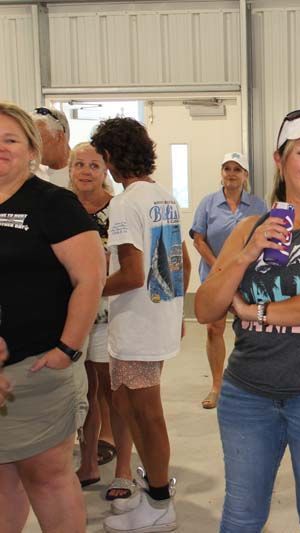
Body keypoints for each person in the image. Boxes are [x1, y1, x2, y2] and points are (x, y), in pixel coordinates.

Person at [195, 109, 300, 533]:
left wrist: (252, 311)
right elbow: (205, 308)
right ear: (280, 159)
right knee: (240, 514)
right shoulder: (251, 226)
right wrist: (247, 251)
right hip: (247, 393)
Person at [0, 101, 105, 532]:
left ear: (31, 149)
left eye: (10, 140)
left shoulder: (53, 204)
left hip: (38, 367)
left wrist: (66, 349)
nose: (0, 148)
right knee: (3, 479)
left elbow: (91, 280)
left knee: (46, 477)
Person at [92, 117, 191, 532]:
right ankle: (150, 489)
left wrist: (88, 288)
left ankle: (159, 502)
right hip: (157, 319)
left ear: (112, 157)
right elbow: (181, 263)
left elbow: (131, 273)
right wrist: (174, 314)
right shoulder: (163, 196)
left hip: (137, 325)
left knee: (147, 414)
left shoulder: (124, 203)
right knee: (131, 408)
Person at [68, 142, 135, 501]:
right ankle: (89, 461)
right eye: (79, 164)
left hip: (112, 311)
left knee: (115, 393)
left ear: (105, 170)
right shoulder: (61, 207)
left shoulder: (119, 208)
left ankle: (123, 470)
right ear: (69, 169)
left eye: (94, 165)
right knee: (86, 391)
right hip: (74, 313)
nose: (86, 171)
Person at [190, 152, 266, 409]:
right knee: (215, 329)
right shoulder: (208, 203)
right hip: (215, 276)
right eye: (227, 168)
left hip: (248, 279)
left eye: (237, 169)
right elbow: (198, 239)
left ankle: (252, 384)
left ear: (245, 175)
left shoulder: (258, 206)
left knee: (251, 329)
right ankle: (217, 385)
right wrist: (218, 267)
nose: (231, 173)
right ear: (221, 173)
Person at [31, 106, 70, 183]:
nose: (33, 147)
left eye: (38, 140)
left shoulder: (83, 174)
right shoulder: (31, 174)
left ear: (59, 136)